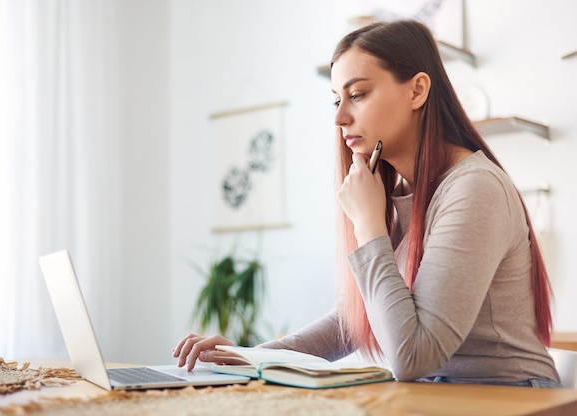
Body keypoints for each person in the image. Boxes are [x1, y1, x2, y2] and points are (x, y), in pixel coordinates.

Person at [173, 19, 561, 388]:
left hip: (509, 395)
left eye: (357, 94)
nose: (339, 117)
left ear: (417, 90)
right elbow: (355, 319)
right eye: (336, 99)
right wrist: (249, 358)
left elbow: (412, 356)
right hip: (436, 393)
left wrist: (368, 226)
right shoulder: (393, 194)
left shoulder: (474, 188)